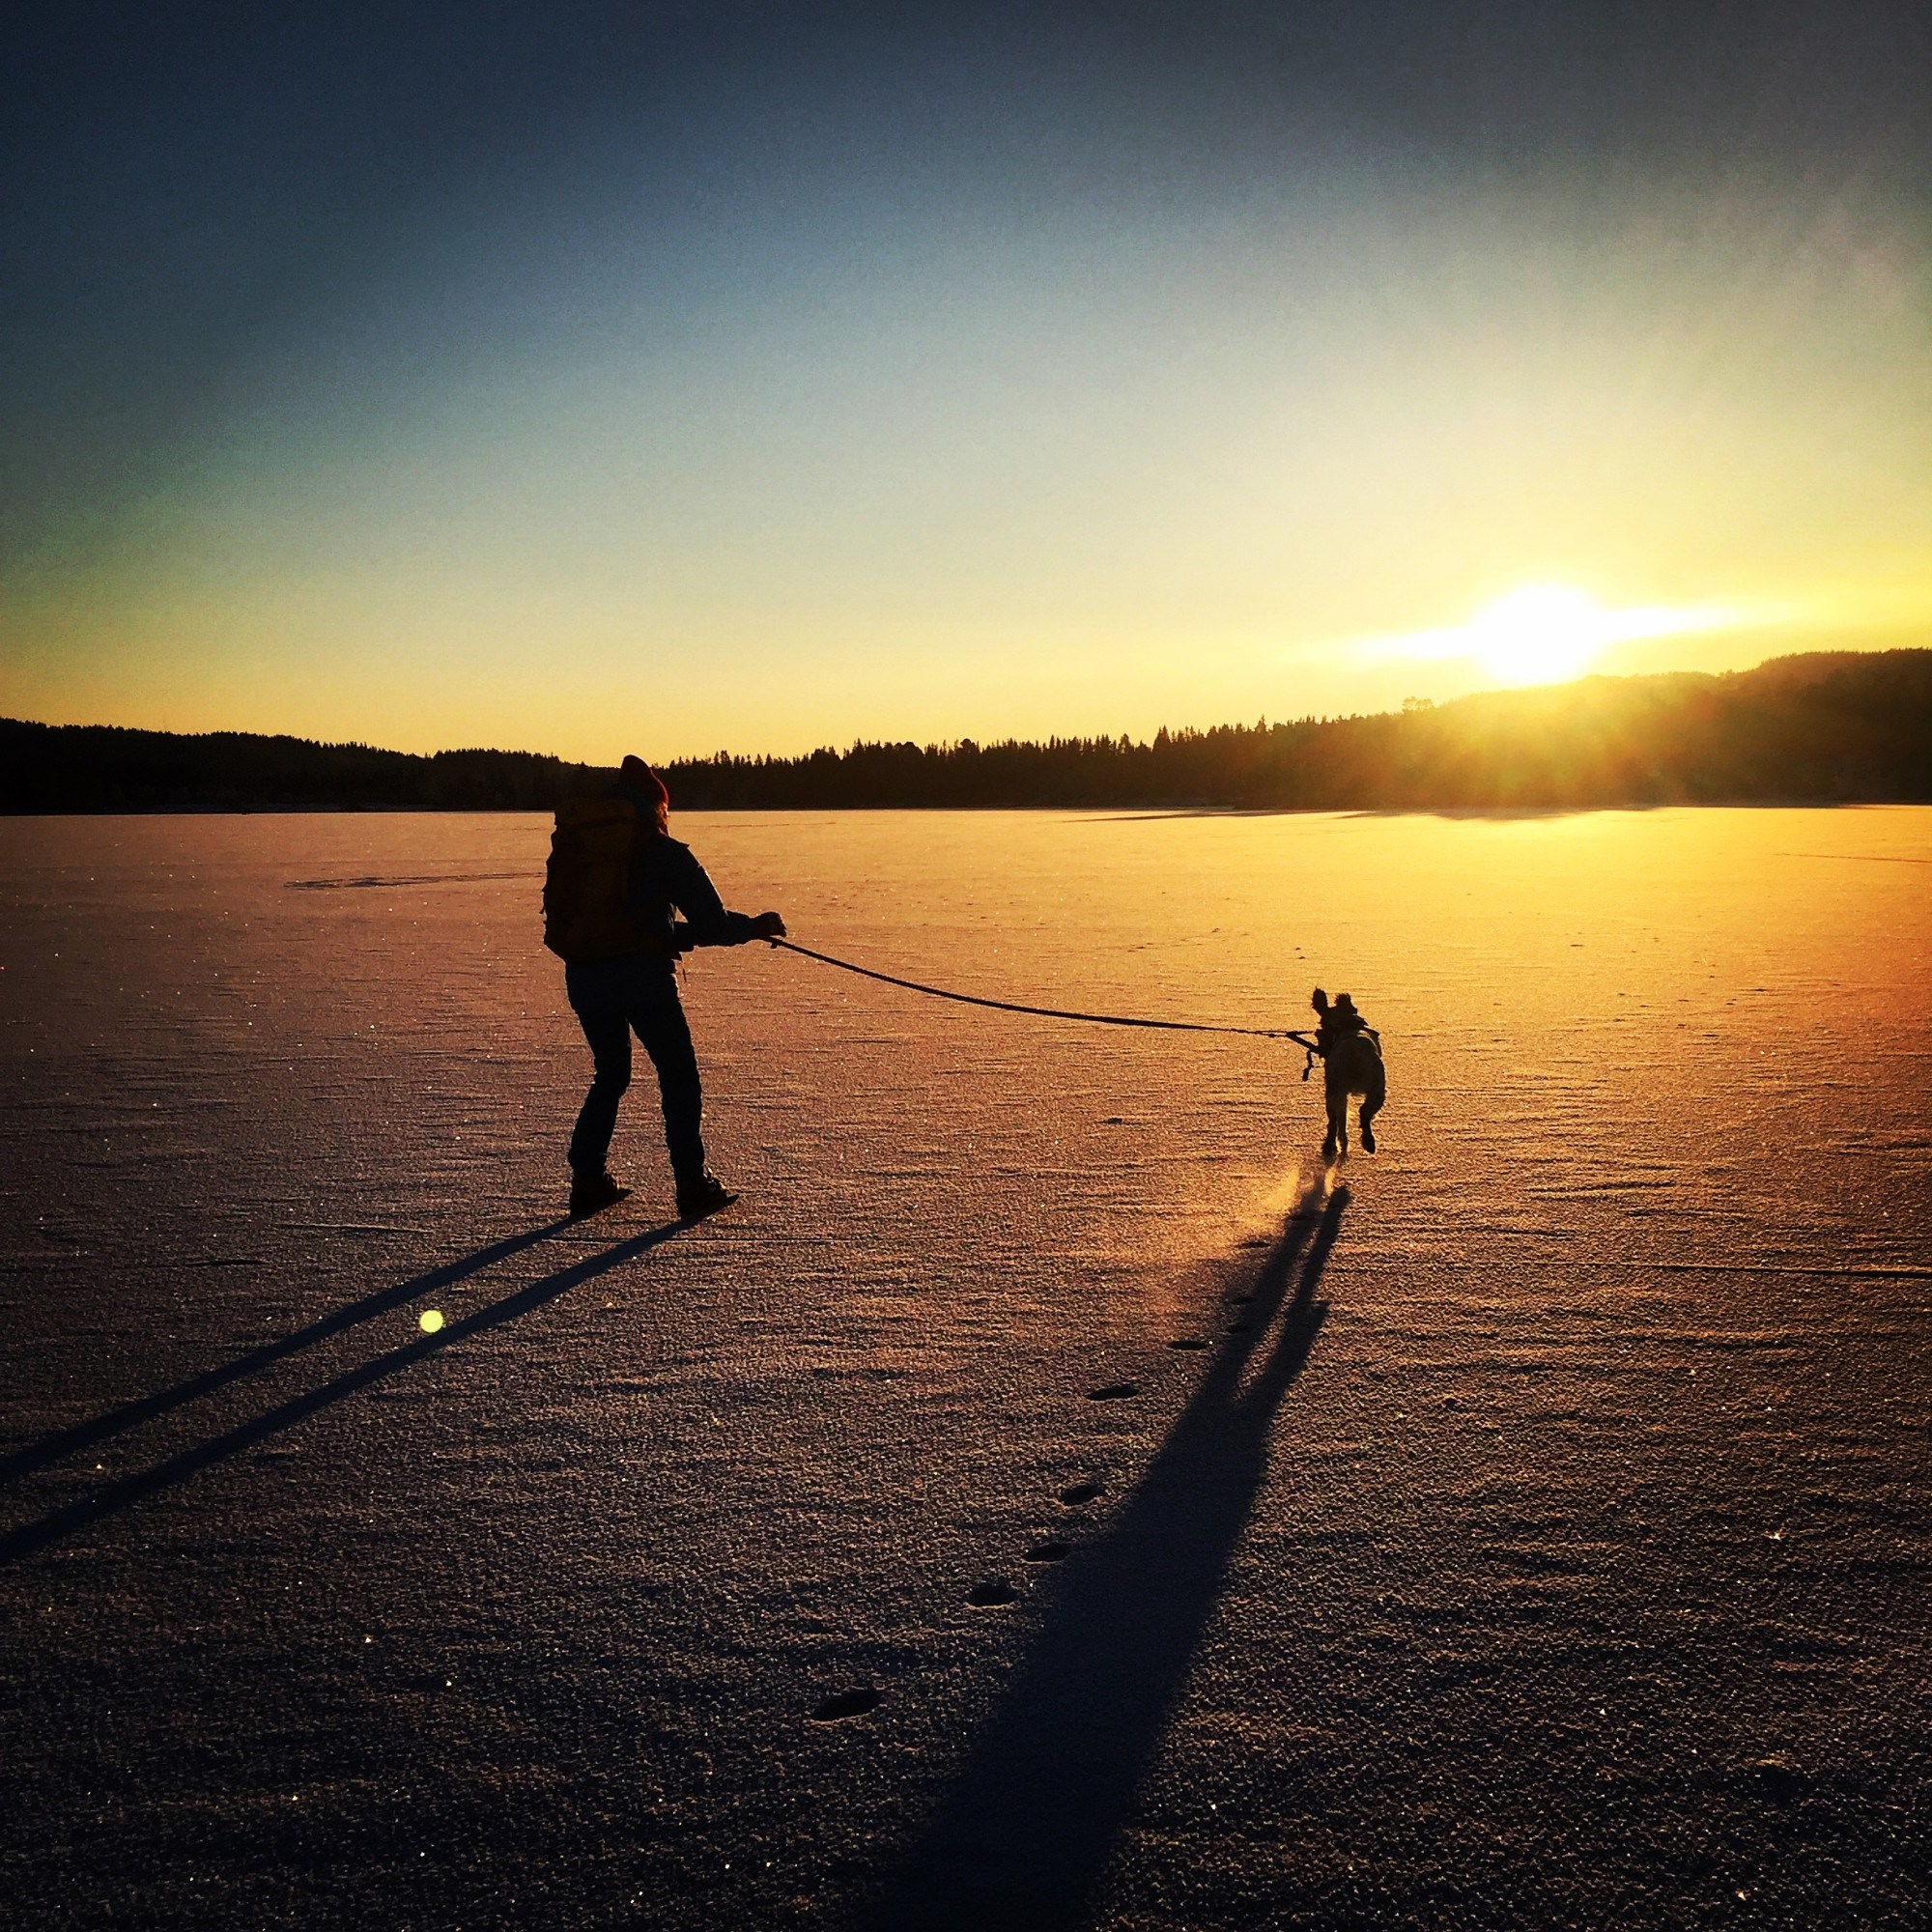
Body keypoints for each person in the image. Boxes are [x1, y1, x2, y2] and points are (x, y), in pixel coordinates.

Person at [559, 754, 783, 1218]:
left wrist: (670, 936)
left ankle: (587, 1181)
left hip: (584, 973)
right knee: (678, 1077)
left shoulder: (581, 845)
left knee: (610, 1075)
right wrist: (754, 927)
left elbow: (620, 923)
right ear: (657, 806)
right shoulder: (663, 851)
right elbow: (712, 923)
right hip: (642, 980)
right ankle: (691, 1186)